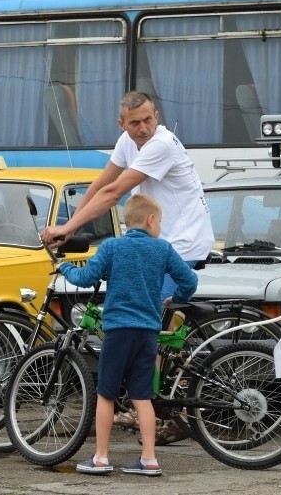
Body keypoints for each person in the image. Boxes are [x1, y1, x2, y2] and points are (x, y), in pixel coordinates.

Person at [41, 90, 214, 445]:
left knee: (142, 321)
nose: (143, 128)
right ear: (121, 124)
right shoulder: (127, 141)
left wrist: (67, 229)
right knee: (143, 321)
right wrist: (69, 223)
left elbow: (114, 193)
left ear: (157, 115)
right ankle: (148, 401)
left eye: (149, 119)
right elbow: (101, 184)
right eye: (134, 122)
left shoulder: (161, 144)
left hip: (181, 243)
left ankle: (160, 409)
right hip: (160, 241)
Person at [60, 194, 198, 476]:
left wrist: (65, 267)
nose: (160, 226)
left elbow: (86, 279)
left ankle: (100, 458)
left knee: (106, 394)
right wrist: (177, 297)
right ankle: (149, 459)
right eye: (160, 220)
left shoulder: (112, 246)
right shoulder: (162, 249)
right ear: (150, 220)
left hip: (118, 331)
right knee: (142, 395)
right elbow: (190, 281)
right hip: (147, 332)